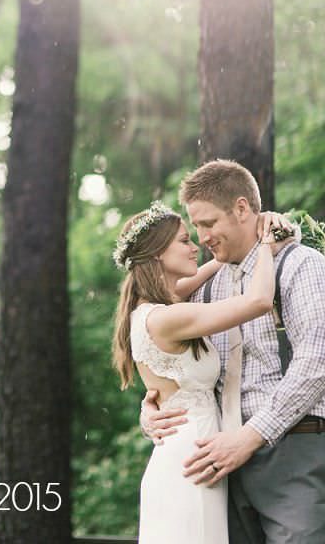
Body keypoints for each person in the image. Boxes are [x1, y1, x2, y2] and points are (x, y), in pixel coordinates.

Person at [142, 159, 325, 543]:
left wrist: (250, 436)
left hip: (293, 449)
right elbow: (178, 364)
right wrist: (154, 406)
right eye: (195, 227)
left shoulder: (301, 266)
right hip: (220, 465)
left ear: (242, 209)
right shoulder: (209, 288)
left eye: (208, 224)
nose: (202, 236)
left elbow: (316, 362)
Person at [112, 194, 292, 544]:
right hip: (191, 462)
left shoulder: (154, 307)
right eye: (184, 240)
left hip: (192, 453)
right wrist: (267, 248)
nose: (196, 246)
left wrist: (244, 246)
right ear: (156, 254)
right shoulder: (167, 317)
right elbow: (257, 301)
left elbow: (211, 268)